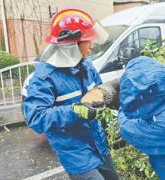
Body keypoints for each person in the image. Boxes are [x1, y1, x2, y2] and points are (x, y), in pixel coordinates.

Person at [23, 9, 119, 180]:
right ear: (71, 47)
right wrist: (75, 110)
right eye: (87, 42)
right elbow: (36, 117)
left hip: (99, 144)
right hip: (75, 154)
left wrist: (109, 95)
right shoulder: (44, 79)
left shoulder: (87, 67)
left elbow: (98, 92)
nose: (91, 48)